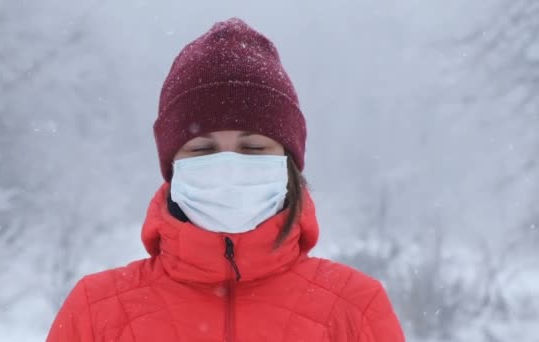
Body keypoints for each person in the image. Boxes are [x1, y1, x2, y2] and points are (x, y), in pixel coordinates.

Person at [46, 17, 405, 342]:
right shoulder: (96, 312)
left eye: (252, 147)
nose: (230, 167)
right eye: (203, 149)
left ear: (288, 165)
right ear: (173, 167)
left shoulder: (355, 308)